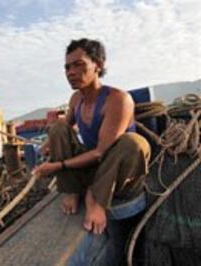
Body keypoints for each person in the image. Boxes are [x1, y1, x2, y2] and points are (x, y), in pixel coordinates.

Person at [33, 38, 151, 235]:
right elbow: (64, 126)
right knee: (58, 128)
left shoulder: (117, 100)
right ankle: (72, 189)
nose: (71, 72)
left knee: (134, 143)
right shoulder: (76, 99)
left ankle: (95, 198)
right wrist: (48, 142)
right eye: (67, 67)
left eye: (79, 65)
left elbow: (101, 153)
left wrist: (58, 166)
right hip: (92, 166)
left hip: (117, 171)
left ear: (98, 65)